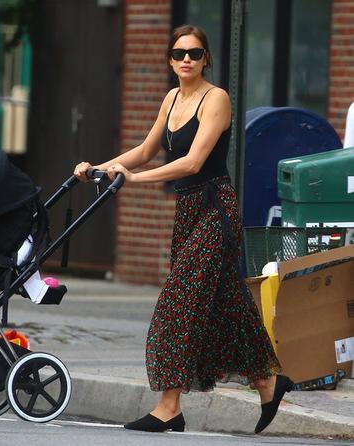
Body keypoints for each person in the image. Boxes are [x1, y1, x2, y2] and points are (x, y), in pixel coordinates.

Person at [74, 24, 291, 434]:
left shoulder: (217, 99)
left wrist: (135, 179)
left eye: (194, 52)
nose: (186, 59)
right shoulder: (172, 98)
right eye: (178, 53)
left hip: (215, 211)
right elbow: (143, 151)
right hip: (187, 212)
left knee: (178, 304)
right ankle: (268, 381)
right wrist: (101, 169)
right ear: (170, 61)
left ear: (206, 58)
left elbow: (192, 162)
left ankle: (169, 406)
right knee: (226, 308)